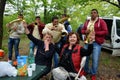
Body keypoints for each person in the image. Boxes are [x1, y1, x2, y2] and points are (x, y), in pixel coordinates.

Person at [81, 9, 108, 80]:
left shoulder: (101, 22)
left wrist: (96, 33)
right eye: (92, 13)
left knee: (95, 59)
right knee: (85, 57)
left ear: (97, 14)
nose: (93, 14)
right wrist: (85, 31)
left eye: (94, 13)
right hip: (87, 42)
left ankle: (93, 73)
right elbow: (82, 30)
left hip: (96, 42)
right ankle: (86, 71)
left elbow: (105, 31)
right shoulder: (87, 22)